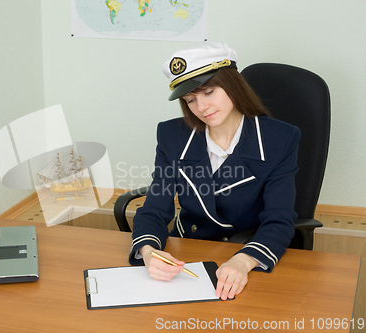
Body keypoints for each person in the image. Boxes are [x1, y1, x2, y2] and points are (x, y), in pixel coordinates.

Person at [129, 41, 300, 301]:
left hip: (249, 256)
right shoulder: (172, 136)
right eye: (190, 99)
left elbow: (279, 220)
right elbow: (154, 208)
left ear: (233, 85)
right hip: (189, 255)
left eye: (209, 92)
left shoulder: (280, 138)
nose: (201, 107)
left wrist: (244, 261)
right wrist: (149, 250)